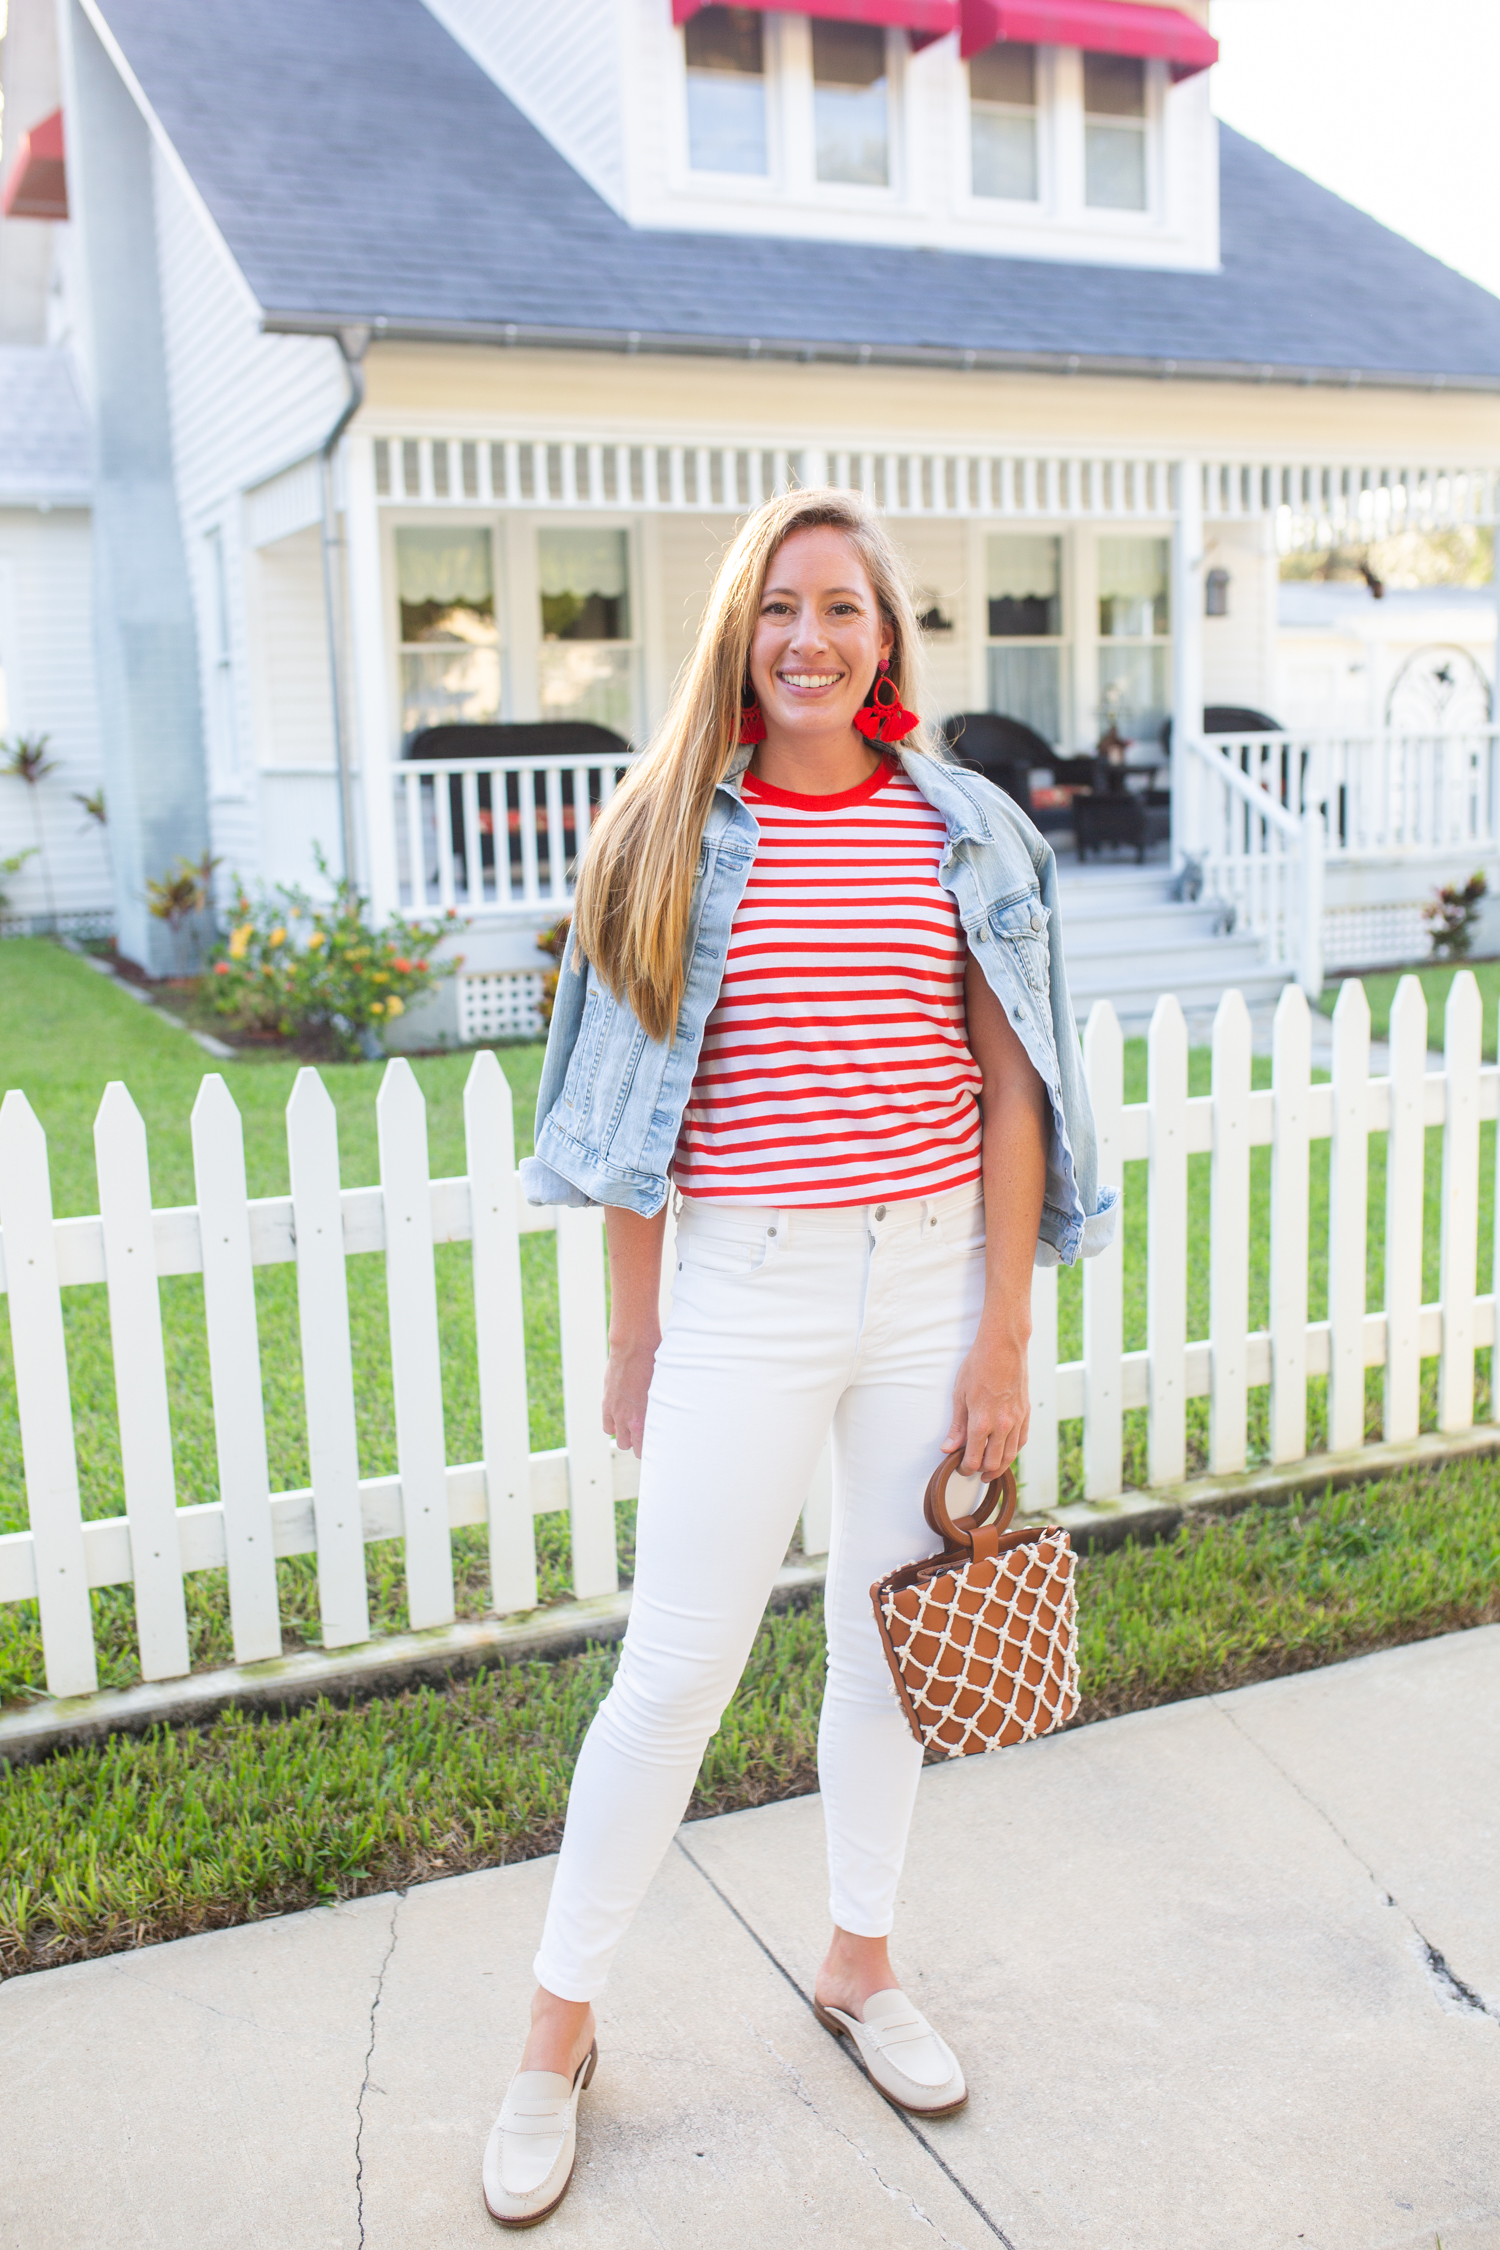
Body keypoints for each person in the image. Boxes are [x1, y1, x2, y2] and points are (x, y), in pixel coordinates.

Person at [483, 489, 1115, 2227]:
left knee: (885, 1645)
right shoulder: (664, 834)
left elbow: (1014, 1091)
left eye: (845, 605)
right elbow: (618, 1121)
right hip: (744, 1293)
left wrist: (1003, 1333)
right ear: (738, 639)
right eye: (780, 608)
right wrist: (638, 1331)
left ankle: (858, 1958)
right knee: (675, 1667)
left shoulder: (968, 829)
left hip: (929, 1290)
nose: (812, 636)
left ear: (889, 638)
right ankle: (554, 2033)